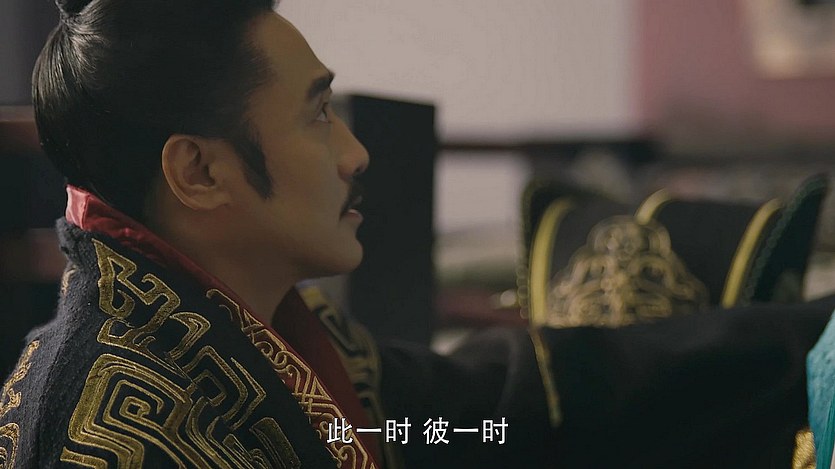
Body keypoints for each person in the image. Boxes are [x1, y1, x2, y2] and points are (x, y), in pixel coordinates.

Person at [0, 0, 831, 467]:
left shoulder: (259, 330)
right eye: (318, 114)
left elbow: (466, 413)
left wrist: (808, 341)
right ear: (199, 171)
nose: (356, 152)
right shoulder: (114, 438)